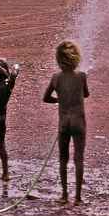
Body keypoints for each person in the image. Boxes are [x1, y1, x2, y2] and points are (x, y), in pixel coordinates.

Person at [43, 41, 90, 204]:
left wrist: (59, 99)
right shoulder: (81, 76)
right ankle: (78, 197)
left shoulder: (56, 78)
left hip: (63, 123)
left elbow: (46, 98)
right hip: (79, 122)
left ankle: (64, 195)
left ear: (58, 59)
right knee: (79, 158)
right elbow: (86, 94)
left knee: (63, 159)